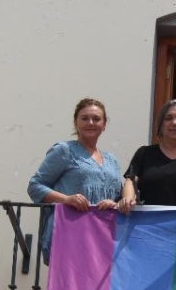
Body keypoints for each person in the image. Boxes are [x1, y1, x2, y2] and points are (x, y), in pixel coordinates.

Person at [28, 97, 123, 264]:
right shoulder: (64, 150)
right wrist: (67, 199)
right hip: (70, 233)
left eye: (96, 119)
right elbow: (35, 186)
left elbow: (119, 197)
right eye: (84, 118)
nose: (90, 123)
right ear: (75, 123)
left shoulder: (112, 160)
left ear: (104, 125)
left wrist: (113, 204)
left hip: (102, 237)